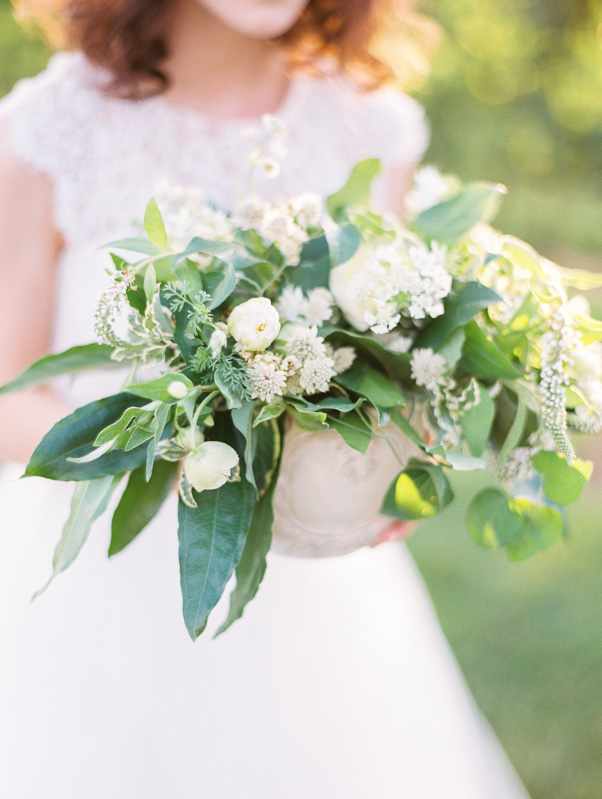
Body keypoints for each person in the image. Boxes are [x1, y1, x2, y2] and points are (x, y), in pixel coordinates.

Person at [0, 1, 531, 796]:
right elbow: (9, 388)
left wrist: (390, 465)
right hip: (100, 580)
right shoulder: (54, 126)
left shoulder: (368, 126)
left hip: (313, 588)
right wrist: (171, 457)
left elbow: (389, 362)